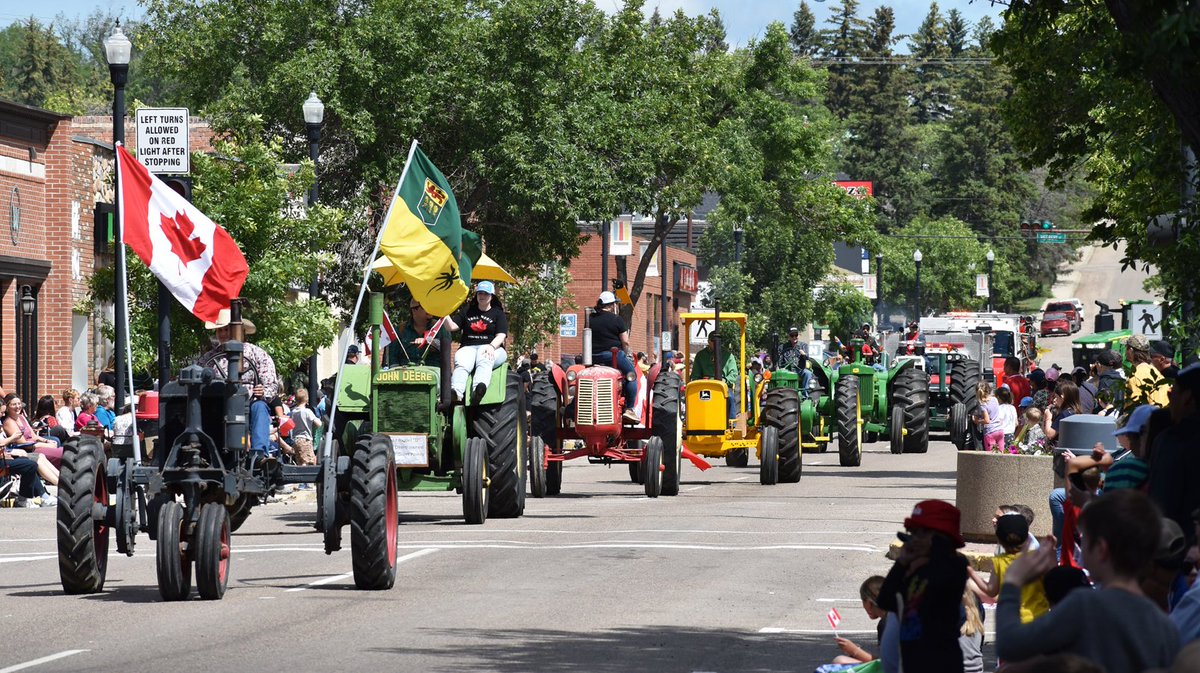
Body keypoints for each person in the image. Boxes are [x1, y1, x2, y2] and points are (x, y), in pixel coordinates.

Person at [995, 490, 1181, 673]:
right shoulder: (1165, 626)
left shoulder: (1085, 605)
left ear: (1101, 549)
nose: (1080, 548)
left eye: (1083, 540)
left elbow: (1010, 645)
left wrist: (1012, 581)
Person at [877, 499, 969, 673]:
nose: (914, 539)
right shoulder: (913, 572)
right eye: (912, 533)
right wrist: (902, 563)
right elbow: (885, 600)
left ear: (940, 537)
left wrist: (930, 546)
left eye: (921, 533)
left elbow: (939, 576)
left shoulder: (954, 566)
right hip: (911, 663)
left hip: (941, 664)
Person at [198, 315, 281, 454]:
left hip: (250, 404)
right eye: (220, 330)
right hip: (220, 406)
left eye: (227, 329)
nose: (223, 334)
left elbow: (271, 384)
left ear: (239, 331)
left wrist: (263, 391)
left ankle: (259, 454)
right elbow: (198, 378)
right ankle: (209, 452)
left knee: (260, 407)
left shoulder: (257, 353)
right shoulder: (208, 358)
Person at [1147, 363, 1200, 547]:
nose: (1169, 401)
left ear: (1187, 398)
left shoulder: (1172, 441)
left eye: (1172, 394)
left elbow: (1161, 503)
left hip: (1180, 550)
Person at [969, 513, 1050, 623]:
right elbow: (1050, 584)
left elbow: (991, 591)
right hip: (1038, 619)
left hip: (1010, 622)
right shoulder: (1036, 558)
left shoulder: (999, 562)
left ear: (999, 538)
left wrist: (972, 573)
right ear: (1027, 536)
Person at [445, 281, 509, 406]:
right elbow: (451, 327)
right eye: (480, 293)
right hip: (469, 347)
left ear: (491, 296)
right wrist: (443, 313)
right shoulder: (467, 311)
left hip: (493, 348)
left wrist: (491, 346)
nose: (482, 296)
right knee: (462, 363)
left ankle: (479, 390)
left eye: (485, 293)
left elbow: (501, 335)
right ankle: (456, 393)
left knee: (484, 357)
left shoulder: (498, 313)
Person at [586, 291, 638, 422]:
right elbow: (625, 341)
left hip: (593, 357)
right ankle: (629, 409)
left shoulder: (591, 319)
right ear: (612, 305)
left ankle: (573, 406)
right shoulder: (617, 320)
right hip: (612, 356)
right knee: (631, 375)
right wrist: (627, 354)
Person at [830, 575, 887, 666]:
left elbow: (887, 664)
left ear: (868, 602)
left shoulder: (886, 624)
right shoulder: (899, 615)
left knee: (839, 661)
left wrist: (855, 651)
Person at [2, 394, 63, 469]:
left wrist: (46, 441)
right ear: (7, 408)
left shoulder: (21, 417)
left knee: (59, 446)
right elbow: (23, 444)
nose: (18, 406)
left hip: (35, 445)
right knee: (61, 454)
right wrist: (45, 445)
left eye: (19, 403)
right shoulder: (9, 422)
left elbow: (33, 435)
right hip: (30, 450)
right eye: (14, 404)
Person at [1, 428, 56, 507]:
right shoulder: (7, 422)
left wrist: (9, 451)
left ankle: (42, 496)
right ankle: (24, 499)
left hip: (4, 457)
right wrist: (12, 438)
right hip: (2, 462)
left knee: (28, 462)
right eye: (2, 414)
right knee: (30, 465)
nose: (3, 414)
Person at [692, 334, 739, 420]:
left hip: (722, 385)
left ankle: (731, 423)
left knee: (730, 398)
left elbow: (733, 374)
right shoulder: (700, 355)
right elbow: (695, 374)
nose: (716, 343)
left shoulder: (728, 355)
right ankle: (694, 421)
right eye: (713, 341)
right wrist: (699, 380)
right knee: (692, 397)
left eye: (718, 341)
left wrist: (725, 380)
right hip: (704, 385)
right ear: (708, 341)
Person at [389, 299, 449, 366]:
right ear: (414, 310)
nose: (430, 309)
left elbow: (446, 348)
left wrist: (428, 341)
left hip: (433, 373)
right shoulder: (400, 329)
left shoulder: (440, 327)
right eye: (425, 306)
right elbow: (392, 358)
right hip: (406, 373)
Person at [1125, 335, 1170, 406]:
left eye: (1126, 347)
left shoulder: (1135, 375)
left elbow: (1136, 408)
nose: (1125, 351)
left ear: (1131, 351)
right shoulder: (1155, 372)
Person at [1042, 379, 1083, 447]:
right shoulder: (1076, 412)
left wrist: (1048, 417)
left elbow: (1049, 434)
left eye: (1056, 397)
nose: (1054, 400)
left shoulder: (1064, 414)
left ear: (1062, 397)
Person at [288, 387, 320, 466]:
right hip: (305, 440)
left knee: (300, 461)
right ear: (307, 399)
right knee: (310, 461)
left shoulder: (293, 412)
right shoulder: (307, 411)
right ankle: (307, 478)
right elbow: (319, 424)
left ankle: (300, 477)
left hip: (296, 440)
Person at [975, 382, 1004, 451]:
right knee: (1002, 454)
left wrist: (977, 421)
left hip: (990, 432)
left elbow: (987, 420)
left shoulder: (983, 404)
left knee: (990, 456)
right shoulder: (995, 399)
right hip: (1000, 430)